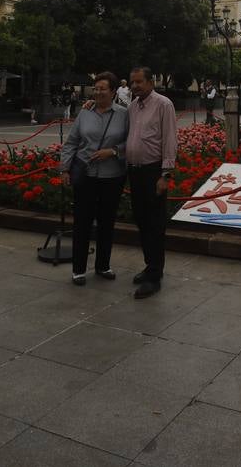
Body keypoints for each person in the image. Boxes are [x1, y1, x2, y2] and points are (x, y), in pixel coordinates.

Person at [59, 71, 128, 285]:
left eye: (102, 89)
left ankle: (103, 266)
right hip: (86, 175)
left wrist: (114, 151)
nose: (97, 92)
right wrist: (64, 169)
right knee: (82, 222)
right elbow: (72, 142)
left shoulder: (124, 114)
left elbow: (132, 143)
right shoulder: (85, 112)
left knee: (107, 222)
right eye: (95, 88)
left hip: (112, 176)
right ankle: (78, 269)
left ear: (113, 91)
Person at [125, 66, 177, 299]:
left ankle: (155, 276)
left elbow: (169, 140)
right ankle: (150, 266)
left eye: (139, 82)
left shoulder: (163, 104)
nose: (135, 86)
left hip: (153, 172)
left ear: (150, 82)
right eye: (132, 82)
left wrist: (165, 175)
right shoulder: (132, 107)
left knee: (155, 224)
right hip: (134, 172)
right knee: (142, 221)